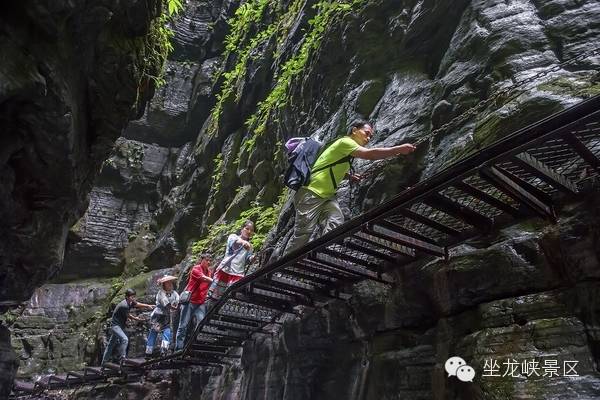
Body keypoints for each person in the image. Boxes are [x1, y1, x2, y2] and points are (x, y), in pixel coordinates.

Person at [285, 120, 416, 254]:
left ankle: (323, 253)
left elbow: (328, 165)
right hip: (311, 192)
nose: (369, 138)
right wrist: (398, 149)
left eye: (370, 136)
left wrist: (349, 176)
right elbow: (369, 154)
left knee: (335, 221)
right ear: (354, 130)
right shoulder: (345, 142)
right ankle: (282, 270)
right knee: (303, 234)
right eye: (367, 133)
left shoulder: (344, 149)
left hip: (326, 195)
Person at [206, 220, 256, 304]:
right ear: (242, 229)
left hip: (238, 273)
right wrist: (243, 242)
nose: (249, 231)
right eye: (247, 228)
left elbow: (247, 260)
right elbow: (234, 245)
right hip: (225, 270)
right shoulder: (233, 237)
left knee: (230, 298)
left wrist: (252, 258)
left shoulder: (251, 246)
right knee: (215, 296)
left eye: (251, 230)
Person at [101, 288, 154, 365]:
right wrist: (137, 319)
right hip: (115, 326)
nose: (133, 298)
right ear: (127, 297)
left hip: (119, 326)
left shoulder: (130, 302)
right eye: (131, 297)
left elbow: (137, 304)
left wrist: (148, 305)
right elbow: (128, 315)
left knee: (110, 345)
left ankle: (103, 363)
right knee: (125, 339)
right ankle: (122, 359)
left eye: (134, 297)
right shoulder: (124, 305)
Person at [174, 256, 213, 351]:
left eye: (209, 261)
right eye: (206, 260)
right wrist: (213, 281)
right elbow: (203, 278)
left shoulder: (209, 272)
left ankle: (192, 345)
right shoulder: (196, 269)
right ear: (201, 260)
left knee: (201, 323)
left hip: (201, 303)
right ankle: (178, 348)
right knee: (183, 325)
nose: (208, 262)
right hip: (190, 301)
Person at [145, 275, 180, 356]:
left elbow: (178, 299)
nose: (170, 284)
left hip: (167, 315)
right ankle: (148, 352)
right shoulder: (161, 293)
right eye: (168, 283)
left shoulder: (174, 293)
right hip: (158, 315)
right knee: (154, 332)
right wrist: (175, 308)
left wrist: (178, 304)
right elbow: (167, 305)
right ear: (164, 284)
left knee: (167, 332)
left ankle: (164, 350)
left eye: (170, 283)